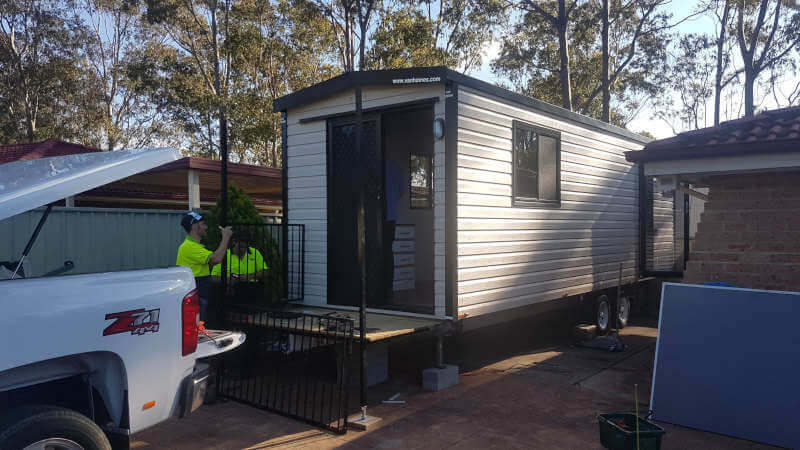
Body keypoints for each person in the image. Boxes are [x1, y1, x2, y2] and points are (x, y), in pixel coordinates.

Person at [176, 211, 232, 321]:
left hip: (199, 296)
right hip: (197, 297)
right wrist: (225, 237)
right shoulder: (189, 247)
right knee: (198, 330)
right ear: (195, 227)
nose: (206, 227)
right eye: (203, 224)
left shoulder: (194, 246)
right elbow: (216, 259)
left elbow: (214, 260)